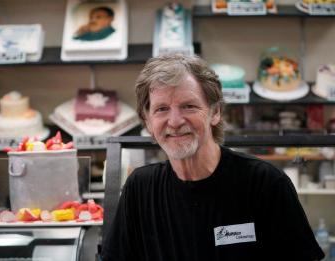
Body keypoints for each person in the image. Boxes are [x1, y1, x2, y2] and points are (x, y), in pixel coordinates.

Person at [101, 53, 325, 260]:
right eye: (161, 109)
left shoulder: (265, 184)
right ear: (148, 121)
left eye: (188, 106)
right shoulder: (140, 189)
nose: (175, 121)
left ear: (215, 112)